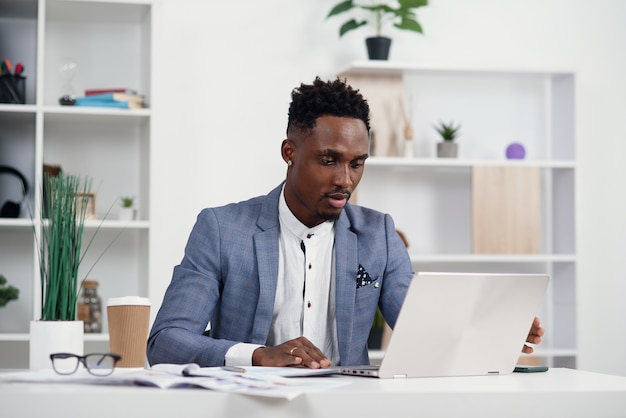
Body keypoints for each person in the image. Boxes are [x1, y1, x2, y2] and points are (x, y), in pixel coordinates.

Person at [146, 77, 544, 369]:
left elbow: (425, 327)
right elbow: (166, 341)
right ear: (290, 152)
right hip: (246, 408)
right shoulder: (221, 228)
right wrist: (258, 355)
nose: (345, 180)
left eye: (357, 163)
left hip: (347, 407)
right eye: (328, 160)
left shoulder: (378, 235)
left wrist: (495, 331)